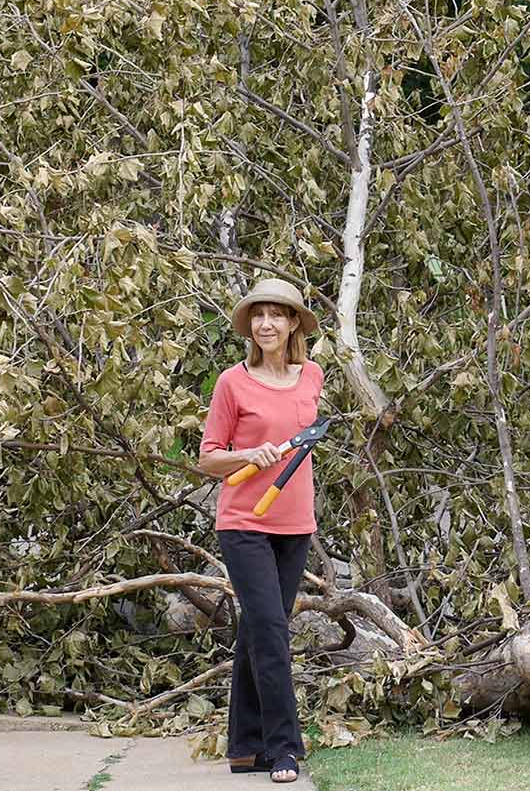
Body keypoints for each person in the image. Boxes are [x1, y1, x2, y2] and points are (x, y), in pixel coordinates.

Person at [198, 277, 323, 784]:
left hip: (294, 524)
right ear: (249, 324)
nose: (266, 323)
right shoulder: (233, 382)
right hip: (244, 522)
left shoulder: (311, 375)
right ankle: (285, 749)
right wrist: (248, 454)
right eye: (258, 315)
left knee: (256, 629)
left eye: (277, 314)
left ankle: (245, 748)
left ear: (293, 323)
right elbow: (208, 458)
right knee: (272, 631)